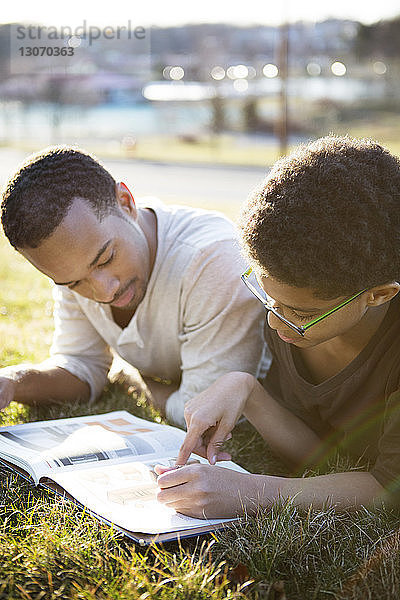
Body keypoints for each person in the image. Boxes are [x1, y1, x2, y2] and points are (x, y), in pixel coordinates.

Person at [155, 135, 400, 519]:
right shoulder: (289, 310)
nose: (275, 320)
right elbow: (325, 456)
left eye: (301, 312)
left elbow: (388, 486)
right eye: (269, 298)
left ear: (379, 295)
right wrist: (248, 390)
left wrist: (252, 492)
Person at [0, 146, 267, 427]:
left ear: (126, 202)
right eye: (74, 283)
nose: (103, 292)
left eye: (106, 259)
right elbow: (82, 366)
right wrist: (13, 382)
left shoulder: (212, 260)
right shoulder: (75, 259)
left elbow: (207, 415)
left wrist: (132, 377)